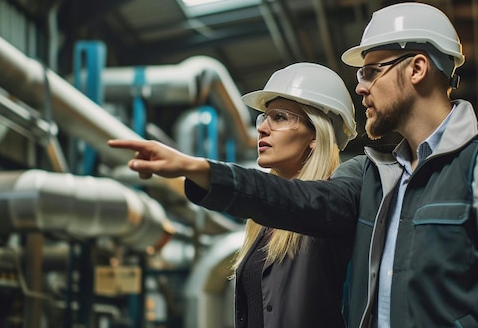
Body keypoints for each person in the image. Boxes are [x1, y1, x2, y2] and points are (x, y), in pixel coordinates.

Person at [109, 2, 478, 327]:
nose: (362, 87)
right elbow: (298, 198)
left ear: (418, 68)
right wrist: (203, 171)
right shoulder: (374, 176)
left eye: (371, 71)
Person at [114, 62, 358, 328]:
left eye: (279, 117)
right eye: (264, 117)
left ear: (316, 134)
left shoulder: (333, 207)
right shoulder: (263, 225)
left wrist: (194, 166)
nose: (263, 128)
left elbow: (294, 200)